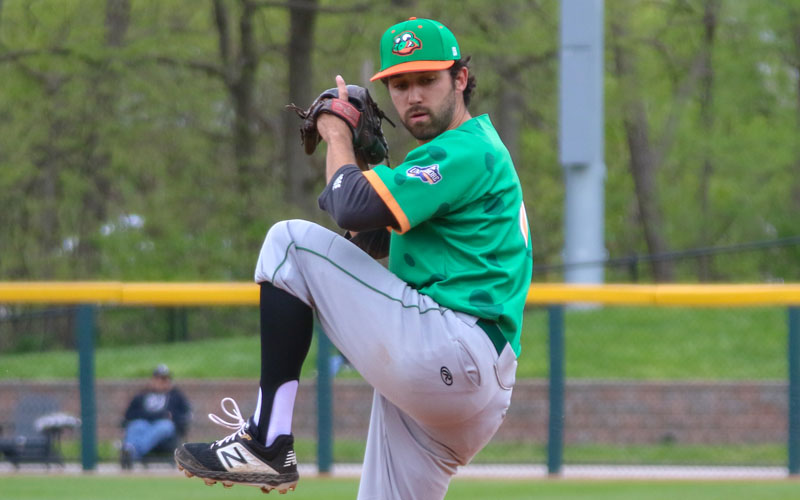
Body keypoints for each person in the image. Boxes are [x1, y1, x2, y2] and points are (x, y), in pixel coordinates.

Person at [174, 17, 532, 499]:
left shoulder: (465, 150)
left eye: (427, 80)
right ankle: (266, 442)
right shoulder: (452, 162)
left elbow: (349, 207)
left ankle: (266, 441)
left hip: (452, 348)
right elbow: (365, 236)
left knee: (289, 244)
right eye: (400, 84)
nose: (413, 96)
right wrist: (367, 166)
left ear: (460, 79)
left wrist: (336, 133)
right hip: (466, 385)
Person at [120, 363, 191, 469]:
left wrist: (170, 417)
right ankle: (130, 449)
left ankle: (132, 452)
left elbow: (183, 415)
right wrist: (157, 415)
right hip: (144, 423)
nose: (160, 382)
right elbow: (129, 414)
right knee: (137, 425)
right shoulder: (142, 395)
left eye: (164, 379)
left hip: (165, 428)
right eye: (158, 379)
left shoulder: (176, 396)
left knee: (164, 426)